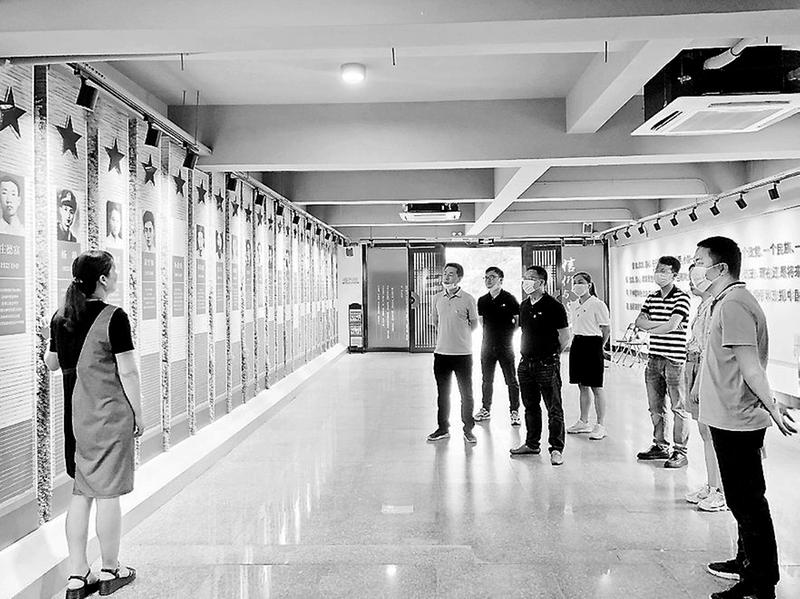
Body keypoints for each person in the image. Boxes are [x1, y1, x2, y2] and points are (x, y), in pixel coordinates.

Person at [694, 236, 796, 599]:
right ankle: (746, 560)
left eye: (699, 261)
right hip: (725, 415)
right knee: (742, 499)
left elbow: (751, 366)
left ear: (720, 267)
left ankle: (761, 580)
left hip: (736, 418)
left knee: (748, 501)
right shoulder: (724, 301)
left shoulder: (735, 305)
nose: (695, 269)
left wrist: (772, 405)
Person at [44, 250, 143, 598]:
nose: (116, 276)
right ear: (102, 279)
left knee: (81, 492)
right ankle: (110, 569)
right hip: (108, 416)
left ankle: (76, 576)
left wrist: (57, 336)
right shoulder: (114, 317)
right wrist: (138, 412)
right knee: (107, 494)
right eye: (113, 272)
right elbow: (128, 371)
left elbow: (51, 363)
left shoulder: (61, 316)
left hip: (76, 420)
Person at [634, 256, 691, 468]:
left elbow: (672, 325)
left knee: (679, 408)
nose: (659, 273)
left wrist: (651, 326)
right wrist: (662, 325)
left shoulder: (682, 298)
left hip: (675, 360)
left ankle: (680, 451)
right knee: (655, 407)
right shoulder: (652, 297)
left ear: (674, 274)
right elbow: (639, 322)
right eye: (658, 269)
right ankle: (660, 445)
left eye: (664, 270)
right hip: (653, 359)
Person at [511, 266, 570, 466]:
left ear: (542, 282)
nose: (526, 281)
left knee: (554, 408)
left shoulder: (554, 306)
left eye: (531, 278)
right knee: (530, 406)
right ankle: (532, 443)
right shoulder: (524, 305)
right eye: (525, 278)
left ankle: (556, 448)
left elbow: (564, 337)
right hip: (525, 363)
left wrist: (552, 355)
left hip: (547, 363)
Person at [684, 264, 727, 512]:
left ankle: (721, 490)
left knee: (713, 432)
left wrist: (699, 381)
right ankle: (712, 484)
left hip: (706, 369)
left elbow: (711, 348)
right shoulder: (704, 306)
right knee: (705, 432)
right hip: (695, 364)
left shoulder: (717, 306)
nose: (692, 282)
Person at [426, 262, 479, 444]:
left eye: (451, 274)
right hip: (441, 354)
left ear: (459, 278)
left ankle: (468, 429)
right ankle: (443, 428)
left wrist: (459, 336)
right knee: (443, 393)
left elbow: (474, 324)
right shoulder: (436, 298)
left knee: (466, 394)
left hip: (463, 355)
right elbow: (435, 323)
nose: (446, 277)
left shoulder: (468, 299)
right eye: (445, 273)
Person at [565, 271, 611, 440]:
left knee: (596, 386)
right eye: (574, 282)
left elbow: (606, 329)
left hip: (593, 343)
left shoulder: (598, 304)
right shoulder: (574, 304)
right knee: (581, 385)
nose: (577, 285)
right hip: (577, 344)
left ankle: (600, 425)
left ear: (589, 285)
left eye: (580, 282)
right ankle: (583, 421)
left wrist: (599, 346)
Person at [474, 266, 521, 426]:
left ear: (500, 279)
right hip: (487, 346)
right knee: (486, 380)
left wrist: (506, 334)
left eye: (492, 277)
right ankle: (485, 409)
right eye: (486, 277)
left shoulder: (509, 298)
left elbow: (517, 321)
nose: (488, 280)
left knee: (511, 380)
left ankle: (514, 411)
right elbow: (482, 322)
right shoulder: (482, 300)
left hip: (505, 346)